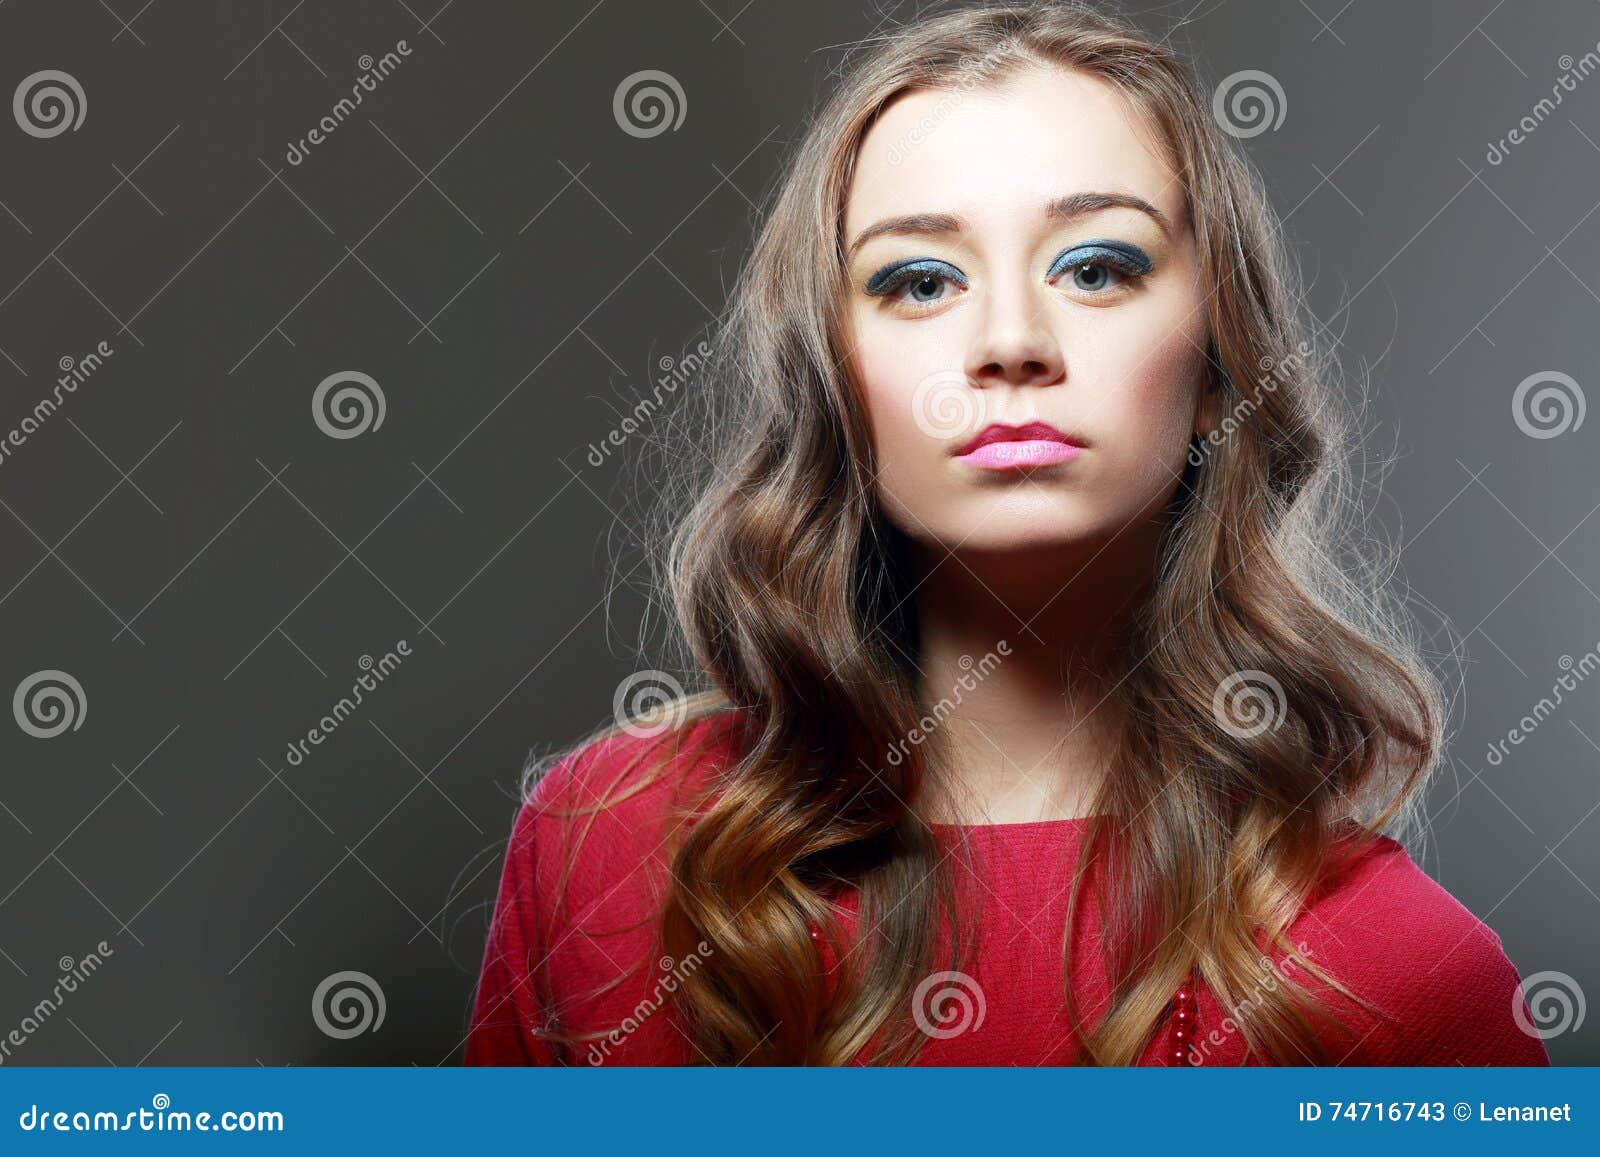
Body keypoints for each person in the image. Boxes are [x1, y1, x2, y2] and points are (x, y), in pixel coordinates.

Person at [464, 0, 1551, 1066]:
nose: (1011, 342)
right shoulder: (602, 849)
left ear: (1220, 366)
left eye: (1094, 267)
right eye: (919, 280)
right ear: (834, 380)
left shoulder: (1403, 981)